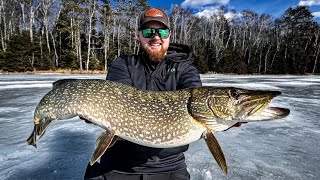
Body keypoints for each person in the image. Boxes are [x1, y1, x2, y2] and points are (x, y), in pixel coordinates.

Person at [84, 7, 200, 180]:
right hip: (117, 165)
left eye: (162, 31)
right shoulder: (123, 64)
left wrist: (224, 118)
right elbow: (117, 105)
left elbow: (197, 100)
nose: (155, 37)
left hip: (170, 166)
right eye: (148, 31)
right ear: (138, 35)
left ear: (169, 34)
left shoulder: (185, 69)